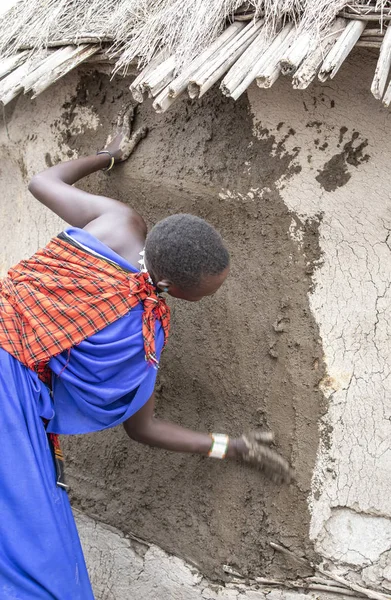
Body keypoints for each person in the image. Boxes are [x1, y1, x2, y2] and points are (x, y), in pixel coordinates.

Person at [0, 110, 293, 599]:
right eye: (207, 292)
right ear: (175, 288)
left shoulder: (117, 220)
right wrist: (229, 445)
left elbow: (41, 179)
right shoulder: (142, 330)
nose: (212, 297)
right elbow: (143, 428)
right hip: (8, 399)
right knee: (37, 561)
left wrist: (106, 155)